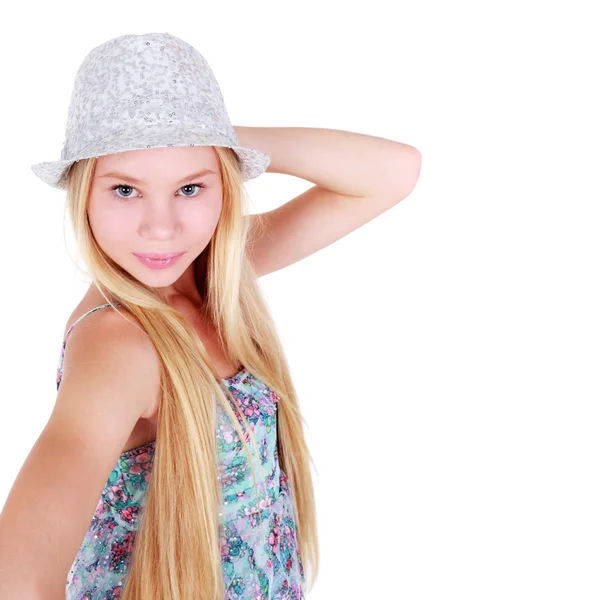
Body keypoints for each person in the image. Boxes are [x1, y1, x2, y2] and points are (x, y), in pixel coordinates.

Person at [0, 32, 421, 600]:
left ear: (224, 185)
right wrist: (188, 145)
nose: (162, 227)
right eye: (125, 189)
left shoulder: (204, 274)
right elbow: (19, 577)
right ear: (83, 194)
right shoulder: (118, 346)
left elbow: (393, 172)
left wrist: (207, 132)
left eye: (190, 186)